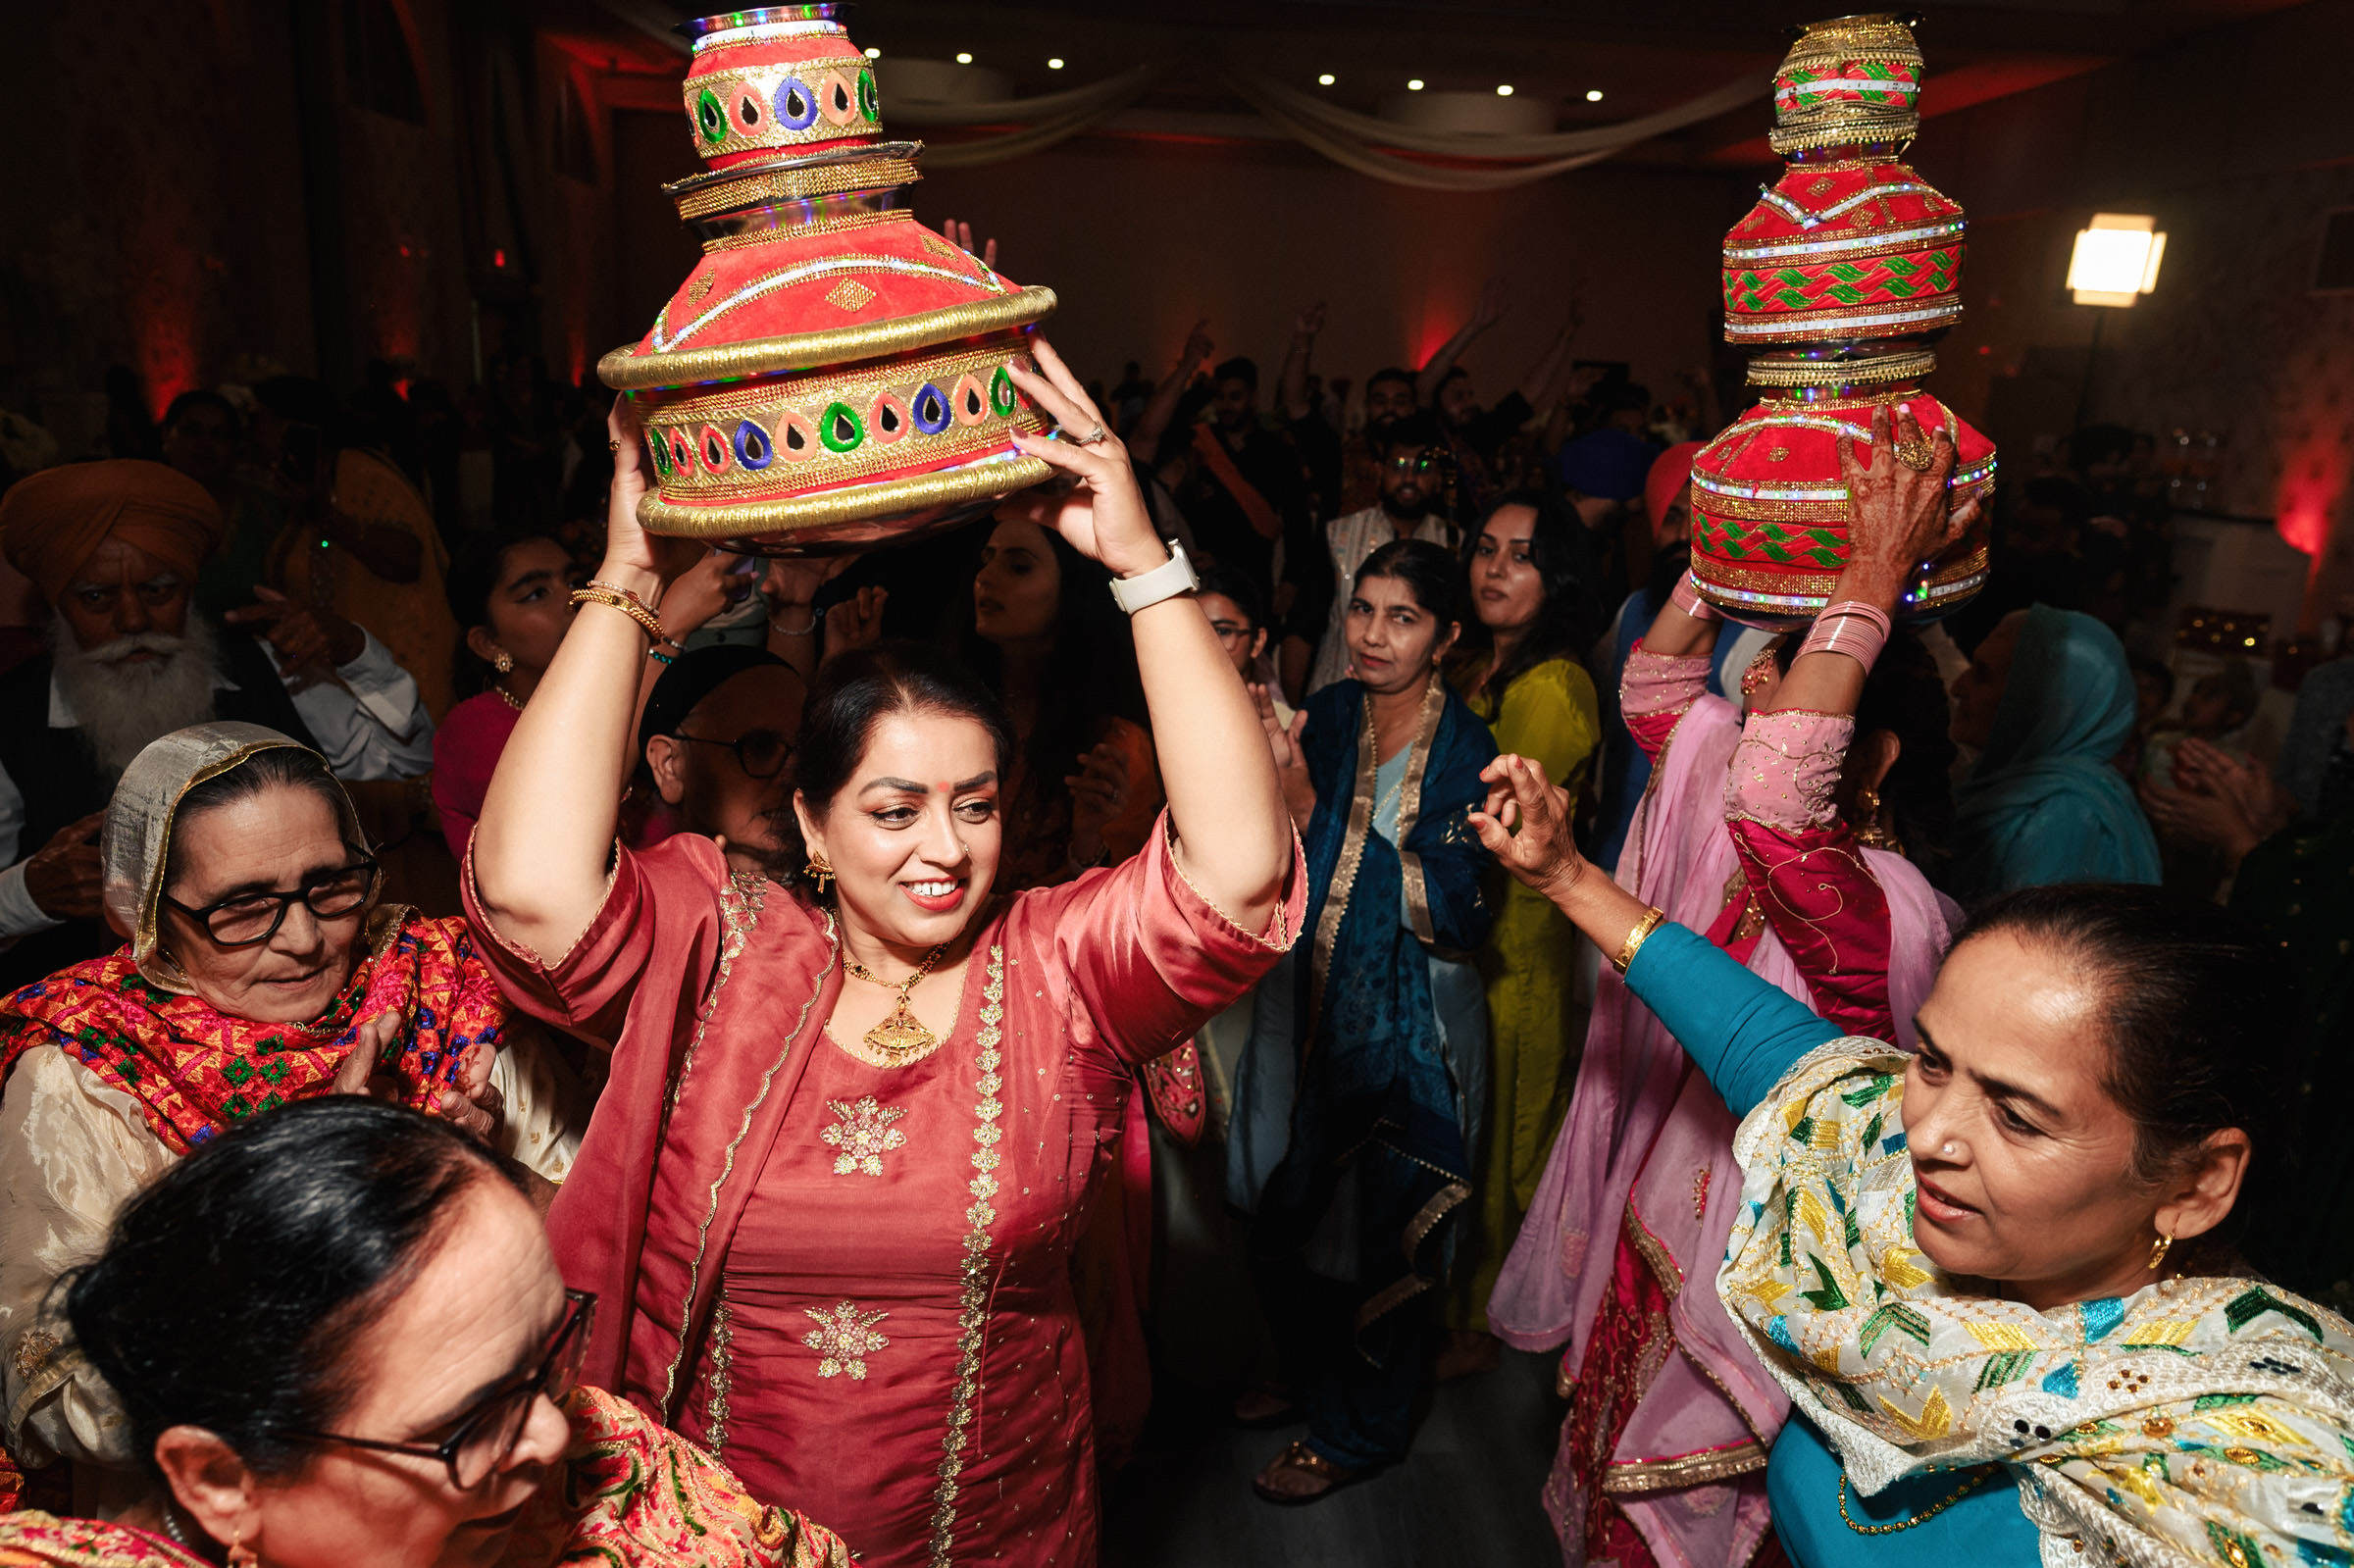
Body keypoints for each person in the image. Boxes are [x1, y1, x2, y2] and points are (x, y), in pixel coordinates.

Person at [464, 346, 1300, 1568]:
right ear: (810, 821)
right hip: (727, 1531)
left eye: (976, 805)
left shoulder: (1054, 966)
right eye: (895, 810)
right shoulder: (724, 946)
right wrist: (629, 579)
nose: (945, 851)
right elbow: (531, 890)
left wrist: (1143, 568)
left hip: (1004, 1519)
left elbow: (1237, 874)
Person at [1473, 745, 2350, 1567]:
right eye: (1933, 1060)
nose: (1924, 1134)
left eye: (2016, 1114)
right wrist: (1566, 876)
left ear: (2197, 1185)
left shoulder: (2254, 1466)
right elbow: (1767, 1044)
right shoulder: (1882, 1177)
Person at [1491, 407, 1970, 1568]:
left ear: (1882, 752)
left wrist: (1867, 577)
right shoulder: (1743, 816)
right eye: (1752, 699)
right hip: (1664, 1207)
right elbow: (1661, 689)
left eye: (1781, 706)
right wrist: (1731, 534)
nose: (1747, 727)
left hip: (1758, 1276)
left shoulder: (1885, 906)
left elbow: (1770, 788)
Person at [0, 724, 577, 1499]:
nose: (304, 939)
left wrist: (480, 1172)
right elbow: (51, 1395)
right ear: (141, 912)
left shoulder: (444, 994)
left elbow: (600, 1256)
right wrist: (314, 1202)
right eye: (242, 907)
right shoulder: (90, 1068)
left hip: (486, 1477)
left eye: (329, 885)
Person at [0, 1096, 850, 1568]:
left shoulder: (613, 1464)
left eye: (544, 1355)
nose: (552, 1430)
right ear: (222, 1478)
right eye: (464, 1423)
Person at [1230, 538, 1496, 1503]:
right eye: (1364, 609)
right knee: (1283, 1189)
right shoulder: (1330, 714)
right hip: (1304, 994)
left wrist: (1314, 819)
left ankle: (1361, 1430)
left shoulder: (1468, 750)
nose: (1374, 634)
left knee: (1384, 1224)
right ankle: (1303, 1374)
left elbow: (1463, 911)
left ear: (1446, 636)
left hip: (1415, 1015)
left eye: (1404, 617)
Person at [0, 461, 435, 991]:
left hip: (286, 998)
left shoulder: (265, 666)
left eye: (158, 591)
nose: (133, 620)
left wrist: (357, 655)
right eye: (96, 598)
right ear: (56, 603)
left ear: (190, 588)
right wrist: (29, 894)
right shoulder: (11, 712)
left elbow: (409, 758)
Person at [1439, 493, 1602, 1365]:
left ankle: (1481, 1320)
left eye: (1522, 555)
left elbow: (1483, 821)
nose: (1495, 568)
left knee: (1504, 1133)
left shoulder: (1553, 685)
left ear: (1559, 577)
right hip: (1476, 933)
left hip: (1520, 942)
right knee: (1471, 1117)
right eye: (1485, 548)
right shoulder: (1479, 666)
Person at [436, 534, 738, 859]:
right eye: (536, 593)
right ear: (488, 644)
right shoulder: (473, 730)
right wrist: (666, 634)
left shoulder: (629, 685)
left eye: (575, 581)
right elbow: (561, 831)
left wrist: (791, 608)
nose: (574, 599)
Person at [1590, 441, 1767, 870]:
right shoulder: (1632, 610)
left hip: (1695, 871)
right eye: (1672, 517)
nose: (1686, 535)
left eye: (1703, 519)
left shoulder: (1762, 635)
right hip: (1612, 855)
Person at [959, 515, 1161, 891]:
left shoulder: (1113, 743)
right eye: (987, 558)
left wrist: (1087, 839)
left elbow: (1125, 897)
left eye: (1018, 566)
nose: (985, 577)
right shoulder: (952, 712)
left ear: (1072, 591)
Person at [252, 376, 461, 722]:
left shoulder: (356, 471)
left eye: (259, 420)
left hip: (392, 672)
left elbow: (405, 560)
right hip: (335, 681)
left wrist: (325, 515)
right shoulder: (288, 486)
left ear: (289, 425)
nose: (252, 433)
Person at [1949, 604, 2162, 899]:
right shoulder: (2011, 785)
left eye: (1984, 675)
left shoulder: (2065, 815)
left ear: (2048, 704)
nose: (1958, 687)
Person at [1305, 415, 1460, 695]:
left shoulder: (1455, 544)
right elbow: (1305, 625)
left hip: (1415, 709)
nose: (1410, 478)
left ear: (1438, 477)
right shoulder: (1337, 533)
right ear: (1380, 471)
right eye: (1399, 466)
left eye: (1423, 468)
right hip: (1333, 697)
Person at [636, 644, 806, 873]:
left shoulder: (839, 894)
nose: (794, 774)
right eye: (760, 749)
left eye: (807, 749)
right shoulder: (635, 897)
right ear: (669, 766)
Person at [157, 391, 281, 621]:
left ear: (235, 446)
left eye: (219, 435)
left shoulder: (264, 508)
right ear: (167, 436)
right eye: (193, 431)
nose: (205, 444)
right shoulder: (145, 509)